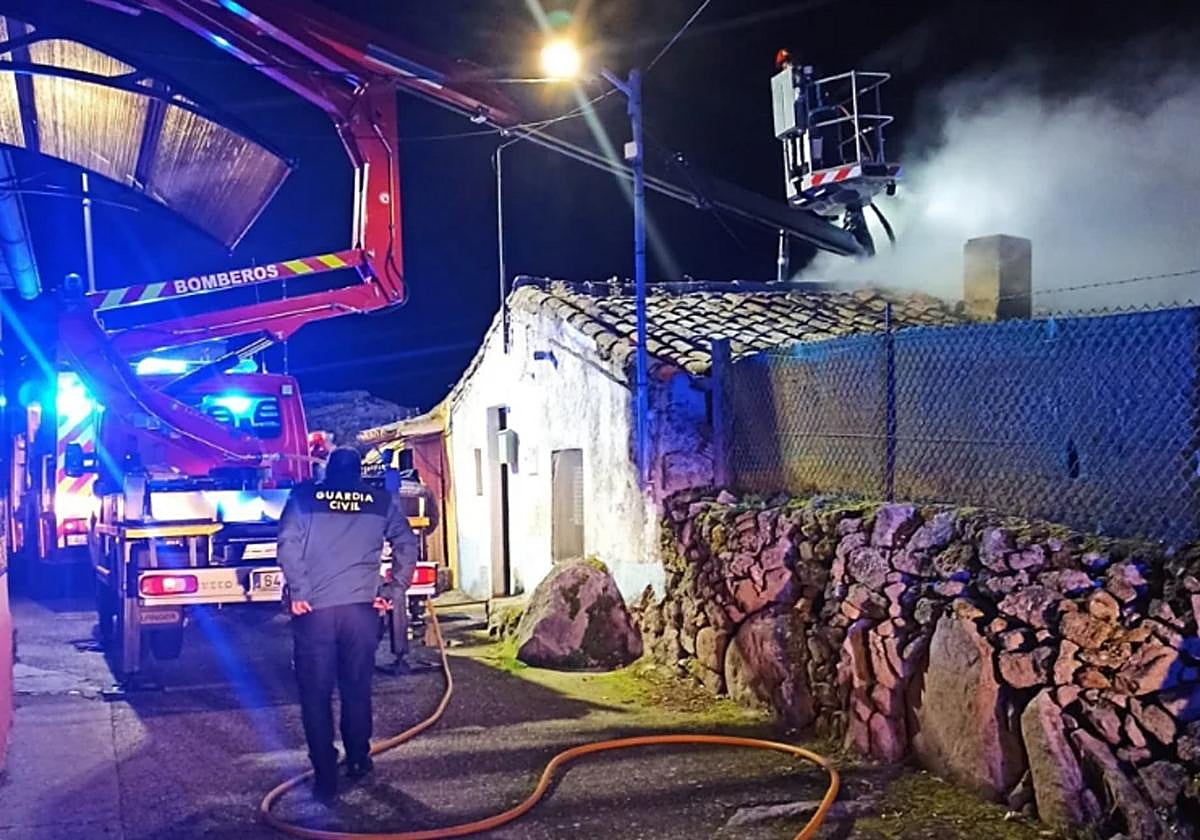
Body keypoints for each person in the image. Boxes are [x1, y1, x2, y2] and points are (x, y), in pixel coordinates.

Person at [277, 447, 416, 803]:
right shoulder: (380, 500)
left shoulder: (304, 496)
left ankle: (325, 774)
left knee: (315, 693)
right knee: (356, 688)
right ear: (358, 473)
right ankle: (358, 760)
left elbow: (287, 545)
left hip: (315, 612)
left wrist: (300, 590)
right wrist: (393, 589)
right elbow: (406, 543)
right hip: (360, 611)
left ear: (327, 471)